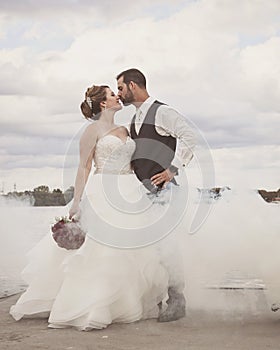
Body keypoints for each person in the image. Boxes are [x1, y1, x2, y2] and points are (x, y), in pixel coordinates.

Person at [9, 84, 169, 330]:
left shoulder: (125, 129)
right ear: (104, 103)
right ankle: (95, 306)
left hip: (130, 191)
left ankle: (125, 303)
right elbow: (84, 167)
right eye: (113, 94)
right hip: (103, 189)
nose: (118, 96)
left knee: (132, 250)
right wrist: (76, 201)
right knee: (102, 250)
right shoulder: (92, 130)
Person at [116, 68, 196, 322]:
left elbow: (190, 136)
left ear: (132, 85)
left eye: (120, 87)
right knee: (153, 248)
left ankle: (177, 300)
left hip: (166, 192)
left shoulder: (162, 112)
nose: (119, 93)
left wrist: (173, 169)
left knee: (167, 246)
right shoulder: (134, 119)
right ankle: (160, 297)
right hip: (145, 193)